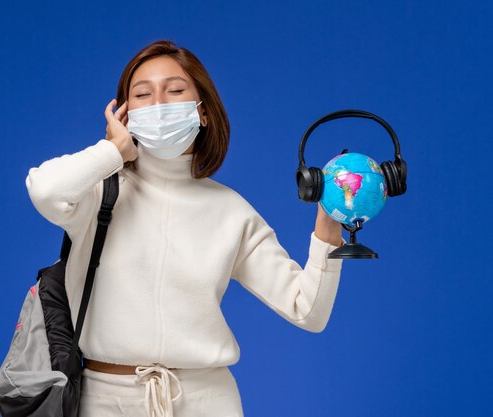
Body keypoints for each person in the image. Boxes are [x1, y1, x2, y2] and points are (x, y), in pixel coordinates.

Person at [25, 39, 346, 417]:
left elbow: (307, 310)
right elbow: (46, 189)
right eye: (142, 94)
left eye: (175, 90)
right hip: (104, 401)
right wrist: (112, 152)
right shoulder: (95, 194)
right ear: (124, 115)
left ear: (203, 112)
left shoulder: (231, 211)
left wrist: (330, 223)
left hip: (206, 402)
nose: (159, 104)